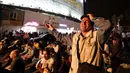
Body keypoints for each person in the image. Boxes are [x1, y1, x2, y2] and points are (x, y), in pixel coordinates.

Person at [47, 13, 111, 73]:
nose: (83, 23)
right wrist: (52, 29)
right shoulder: (75, 37)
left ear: (92, 25)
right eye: (82, 21)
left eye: (86, 21)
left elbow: (107, 25)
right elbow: (61, 37)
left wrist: (93, 18)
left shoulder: (97, 36)